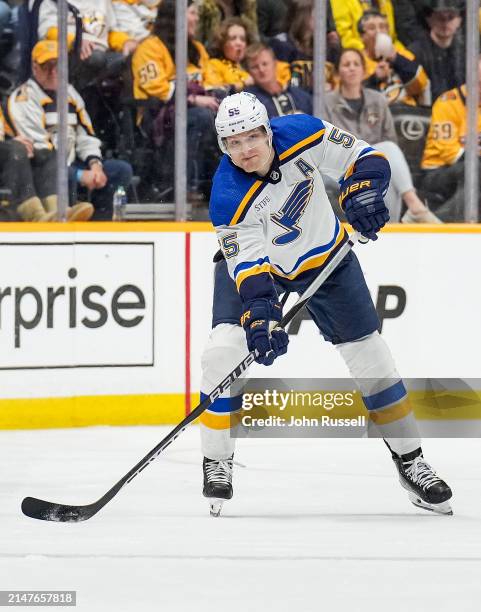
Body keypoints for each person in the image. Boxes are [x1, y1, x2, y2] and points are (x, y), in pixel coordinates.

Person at [199, 91, 453, 517]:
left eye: (251, 138)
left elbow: (366, 157)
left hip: (328, 260)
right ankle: (216, 459)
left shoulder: (301, 131)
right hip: (261, 271)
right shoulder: (227, 194)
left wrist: (364, 192)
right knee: (223, 352)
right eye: (233, 143)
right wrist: (261, 316)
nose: (244, 150)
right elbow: (247, 262)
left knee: (373, 358)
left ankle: (411, 462)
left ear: (267, 130)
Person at [8, 40, 132, 221]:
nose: (53, 72)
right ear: (35, 68)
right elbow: (42, 154)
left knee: (121, 170)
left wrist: (95, 165)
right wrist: (80, 175)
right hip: (42, 170)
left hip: (71, 164)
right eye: (46, 66)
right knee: (63, 175)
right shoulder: (24, 98)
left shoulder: (71, 94)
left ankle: (98, 227)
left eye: (57, 65)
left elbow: (85, 135)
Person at [324, 48, 440, 223]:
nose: (352, 68)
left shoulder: (377, 100)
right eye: (346, 64)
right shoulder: (327, 102)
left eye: (356, 64)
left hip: (373, 166)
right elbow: (325, 145)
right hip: (342, 167)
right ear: (338, 72)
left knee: (388, 167)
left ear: (364, 70)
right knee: (388, 151)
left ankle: (390, 228)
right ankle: (414, 206)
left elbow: (390, 138)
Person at [132, 0, 221, 203]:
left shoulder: (197, 49)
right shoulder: (149, 48)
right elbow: (157, 90)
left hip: (195, 112)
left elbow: (212, 82)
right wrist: (193, 99)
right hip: (157, 117)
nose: (196, 18)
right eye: (192, 12)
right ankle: (187, 186)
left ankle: (223, 189)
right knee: (200, 117)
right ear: (176, 16)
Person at [420, 56, 481, 221]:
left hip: (469, 167)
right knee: (473, 167)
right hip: (437, 172)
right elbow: (448, 151)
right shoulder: (447, 102)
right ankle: (440, 222)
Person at [358, 10, 430, 106]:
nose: (378, 32)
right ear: (362, 36)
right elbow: (353, 96)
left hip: (407, 113)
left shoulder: (403, 55)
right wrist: (375, 78)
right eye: (372, 28)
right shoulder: (356, 60)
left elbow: (422, 85)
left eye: (382, 27)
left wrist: (396, 59)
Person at [409, 0, 465, 104]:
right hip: (426, 113)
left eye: (450, 17)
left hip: (459, 112)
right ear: (429, 19)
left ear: (459, 21)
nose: (445, 23)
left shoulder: (466, 53)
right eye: (440, 18)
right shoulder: (415, 52)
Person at [245, 43, 312, 116]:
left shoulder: (300, 96)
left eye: (265, 64)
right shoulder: (248, 101)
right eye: (254, 67)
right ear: (248, 71)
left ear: (275, 63)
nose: (261, 69)